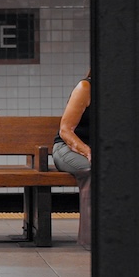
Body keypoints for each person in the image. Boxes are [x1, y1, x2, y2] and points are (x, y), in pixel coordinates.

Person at [52, 69, 92, 247]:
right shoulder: (85, 87)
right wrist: (87, 151)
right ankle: (90, 239)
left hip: (94, 151)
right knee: (94, 172)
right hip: (67, 148)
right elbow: (66, 130)